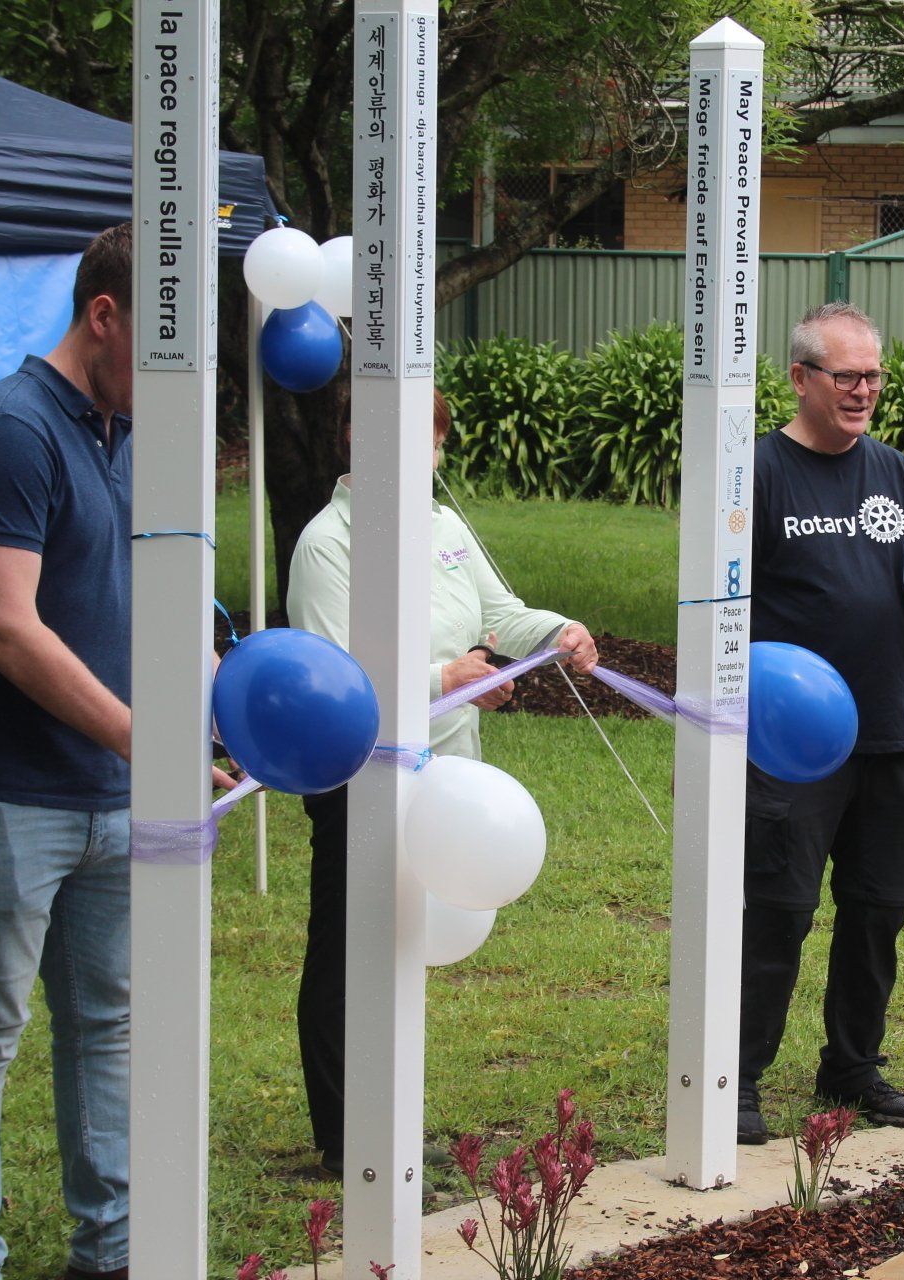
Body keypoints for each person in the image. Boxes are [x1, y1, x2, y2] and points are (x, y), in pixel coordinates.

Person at [0, 224, 229, 1280]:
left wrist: (211, 720)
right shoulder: (4, 430)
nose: (181, 378)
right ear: (104, 315)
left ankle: (116, 1250)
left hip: (110, 785)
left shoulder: (122, 440)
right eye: (165, 346)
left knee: (107, 1021)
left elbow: (142, 615)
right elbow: (5, 627)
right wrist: (149, 738)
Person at [286, 388, 598, 1173]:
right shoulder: (327, 543)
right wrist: (445, 677)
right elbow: (337, 681)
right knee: (348, 948)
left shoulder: (445, 525)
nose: (411, 451)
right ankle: (342, 1131)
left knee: (404, 940)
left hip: (445, 777)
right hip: (360, 778)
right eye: (388, 433)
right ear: (353, 438)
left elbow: (504, 613)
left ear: (439, 446)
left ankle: (385, 1110)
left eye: (426, 434)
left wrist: (556, 631)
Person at [737, 302, 904, 1144]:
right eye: (846, 375)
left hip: (887, 735)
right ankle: (737, 1077)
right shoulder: (758, 473)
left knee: (877, 908)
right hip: (790, 743)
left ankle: (851, 1071)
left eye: (874, 375)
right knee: (778, 910)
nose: (863, 391)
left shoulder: (896, 474)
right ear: (801, 377)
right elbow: (721, 611)